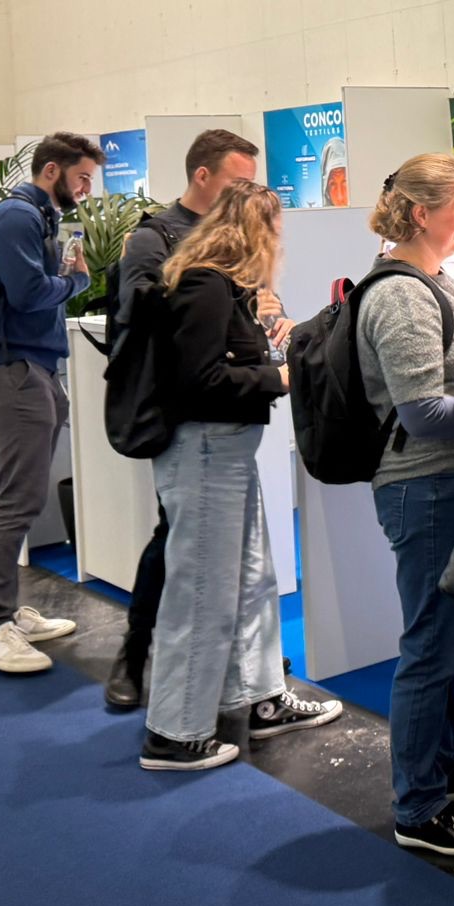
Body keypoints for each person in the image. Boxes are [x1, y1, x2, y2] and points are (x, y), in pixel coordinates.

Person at [141, 181, 342, 771]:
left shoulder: (219, 284)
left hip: (224, 450)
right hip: (206, 449)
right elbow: (198, 381)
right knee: (202, 591)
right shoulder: (205, 284)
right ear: (259, 231)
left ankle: (260, 699)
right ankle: (173, 733)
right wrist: (275, 379)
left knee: (252, 580)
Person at [354, 154, 454, 854]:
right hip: (425, 486)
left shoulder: (432, 281)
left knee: (449, 637)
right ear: (421, 213)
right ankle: (417, 807)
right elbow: (421, 411)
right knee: (430, 646)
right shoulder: (401, 296)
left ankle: (441, 765)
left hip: (444, 485)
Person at [104, 128, 274, 710]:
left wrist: (259, 318)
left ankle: (240, 674)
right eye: (237, 181)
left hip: (225, 419)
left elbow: (247, 305)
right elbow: (143, 314)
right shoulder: (154, 238)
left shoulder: (236, 237)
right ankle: (137, 655)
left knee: (232, 560)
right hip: (186, 420)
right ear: (203, 175)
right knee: (179, 547)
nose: (246, 193)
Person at [0, 132, 101, 675]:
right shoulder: (17, 217)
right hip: (8, 368)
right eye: (82, 178)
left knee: (19, 494)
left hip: (26, 366)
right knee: (16, 499)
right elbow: (28, 294)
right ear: (52, 170)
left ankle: (5, 614)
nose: (86, 189)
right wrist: (76, 282)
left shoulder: (35, 217)